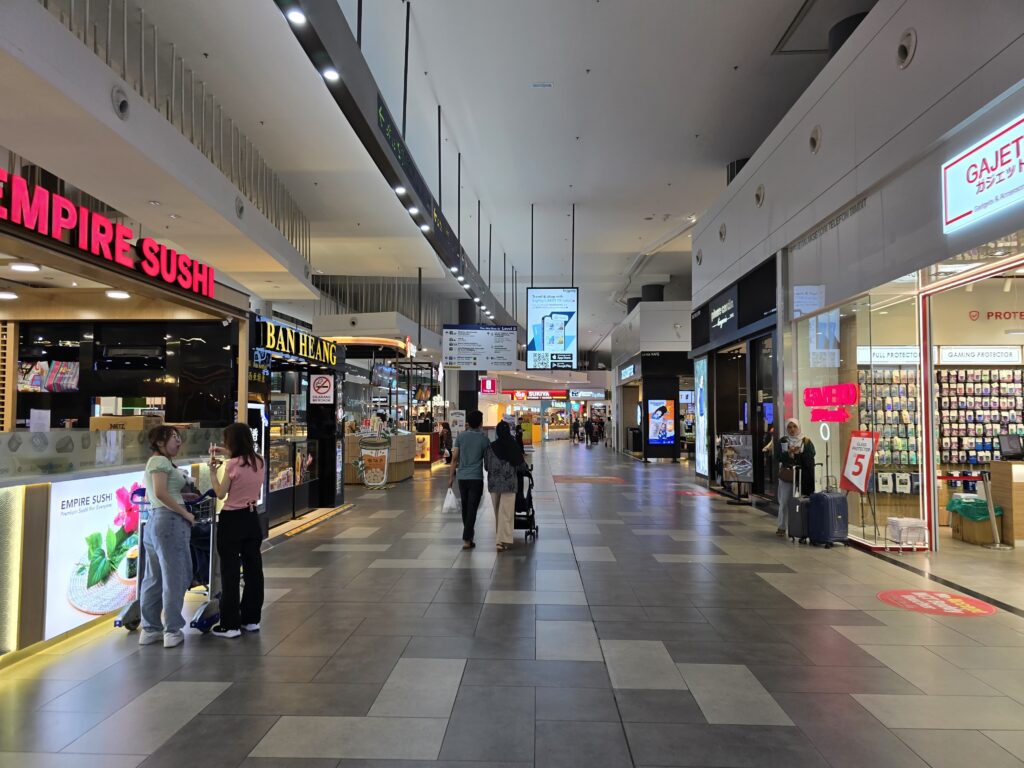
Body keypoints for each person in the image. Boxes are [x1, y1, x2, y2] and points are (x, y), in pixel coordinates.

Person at [139, 425, 195, 649]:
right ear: (160, 443)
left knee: (154, 577)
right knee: (176, 575)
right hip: (170, 521)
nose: (178, 442)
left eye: (179, 438)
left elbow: (162, 492)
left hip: (156, 521)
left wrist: (184, 497)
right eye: (173, 438)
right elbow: (161, 492)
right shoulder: (159, 462)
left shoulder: (159, 462)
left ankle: (150, 628)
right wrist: (185, 513)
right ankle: (172, 630)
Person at [208, 423, 266, 638]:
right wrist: (226, 453)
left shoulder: (231, 465)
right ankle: (251, 619)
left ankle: (230, 624)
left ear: (231, 442)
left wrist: (213, 473)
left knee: (230, 572)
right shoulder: (259, 461)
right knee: (254, 569)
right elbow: (243, 458)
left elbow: (221, 494)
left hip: (232, 520)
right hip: (252, 518)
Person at [448, 410, 490, 549]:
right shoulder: (484, 439)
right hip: (476, 477)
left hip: (462, 478)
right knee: (472, 508)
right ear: (480, 423)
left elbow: (454, 459)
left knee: (465, 508)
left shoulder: (461, 437)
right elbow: (488, 461)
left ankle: (469, 537)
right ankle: (467, 538)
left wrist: (450, 478)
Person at [484, 421, 524, 552]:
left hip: (494, 484)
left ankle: (500, 540)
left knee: (497, 512)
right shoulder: (513, 446)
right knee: (505, 513)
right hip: (509, 484)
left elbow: (486, 466)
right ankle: (502, 540)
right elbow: (520, 465)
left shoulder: (490, 447)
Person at [775, 418, 816, 537]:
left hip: (801, 476)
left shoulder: (806, 441)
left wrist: (798, 454)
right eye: (789, 427)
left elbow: (811, 455)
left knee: (800, 501)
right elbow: (778, 456)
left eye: (794, 427)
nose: (792, 430)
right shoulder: (783, 441)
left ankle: (799, 526)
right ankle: (782, 526)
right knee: (784, 501)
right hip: (787, 475)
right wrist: (788, 454)